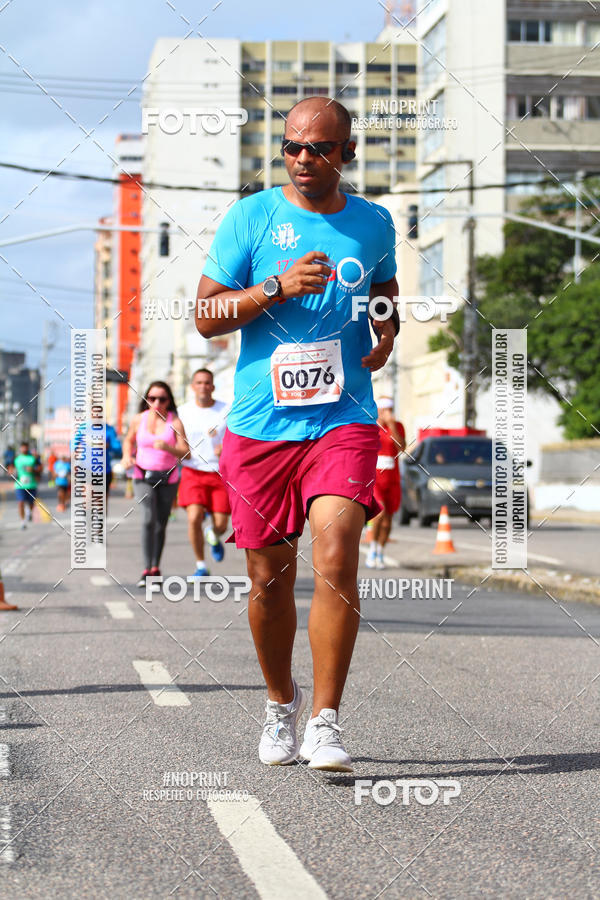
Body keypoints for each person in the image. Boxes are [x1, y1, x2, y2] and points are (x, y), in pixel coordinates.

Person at [195, 96, 399, 772]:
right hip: (260, 428)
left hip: (343, 418)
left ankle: (327, 721)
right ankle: (281, 703)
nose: (304, 159)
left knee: (338, 554)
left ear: (346, 153)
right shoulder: (251, 217)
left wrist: (386, 329)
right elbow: (205, 316)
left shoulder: (373, 223)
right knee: (267, 580)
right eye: (292, 147)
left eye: (319, 148)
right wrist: (275, 288)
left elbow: (384, 288)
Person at [122, 382, 189, 588]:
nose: (156, 403)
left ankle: (155, 567)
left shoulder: (174, 422)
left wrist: (169, 448)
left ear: (169, 401)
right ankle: (145, 569)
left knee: (161, 524)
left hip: (168, 478)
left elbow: (186, 453)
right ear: (146, 400)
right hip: (142, 474)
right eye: (151, 398)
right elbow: (128, 441)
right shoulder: (138, 419)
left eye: (162, 399)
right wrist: (126, 456)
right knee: (148, 518)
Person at [177, 368, 231, 576]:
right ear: (192, 386)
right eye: (199, 382)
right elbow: (176, 438)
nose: (203, 386)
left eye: (207, 382)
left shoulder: (226, 409)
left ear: (213, 386)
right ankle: (201, 565)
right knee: (194, 518)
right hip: (193, 471)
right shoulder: (183, 411)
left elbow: (237, 435)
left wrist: (226, 446)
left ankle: (213, 534)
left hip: (219, 472)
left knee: (221, 525)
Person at [366, 397, 406, 569]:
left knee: (388, 519)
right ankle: (372, 549)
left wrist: (392, 426)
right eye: (385, 410)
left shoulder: (397, 426)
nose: (388, 413)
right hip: (375, 478)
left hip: (392, 478)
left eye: (390, 409)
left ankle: (381, 550)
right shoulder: (372, 426)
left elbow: (401, 447)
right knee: (379, 514)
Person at [11, 441, 42, 529]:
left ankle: (29, 512)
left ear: (28, 448)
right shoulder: (16, 458)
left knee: (31, 503)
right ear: (20, 448)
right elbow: (11, 468)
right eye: (23, 447)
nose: (24, 449)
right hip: (19, 485)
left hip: (32, 484)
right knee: (20, 503)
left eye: (26, 447)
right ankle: (23, 522)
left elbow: (40, 468)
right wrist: (11, 471)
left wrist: (33, 469)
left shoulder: (33, 458)